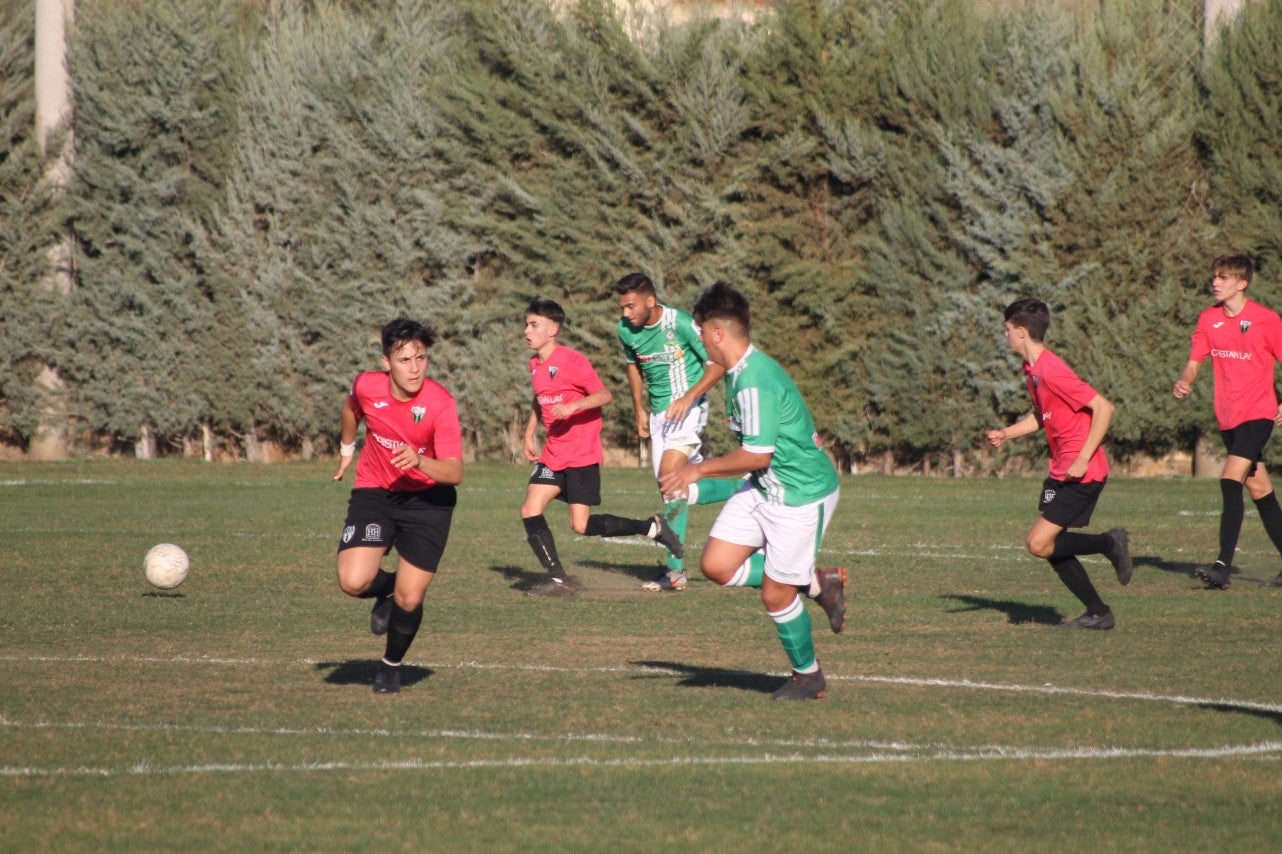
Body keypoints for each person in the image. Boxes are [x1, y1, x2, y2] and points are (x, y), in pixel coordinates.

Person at [659, 281, 847, 700]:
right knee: (716, 566)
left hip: (801, 494)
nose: (699, 338)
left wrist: (696, 471)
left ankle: (808, 676)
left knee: (775, 594)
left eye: (701, 331)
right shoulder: (737, 371)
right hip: (766, 487)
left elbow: (756, 455)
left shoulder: (753, 379)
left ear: (718, 333)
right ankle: (815, 582)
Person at [332, 318, 464, 694]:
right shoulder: (367, 385)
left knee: (411, 597)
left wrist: (420, 461)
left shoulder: (440, 404)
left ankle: (390, 666)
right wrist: (346, 450)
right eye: (405, 359)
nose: (415, 367)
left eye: (421, 358)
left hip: (429, 501)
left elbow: (455, 471)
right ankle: (384, 590)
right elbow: (350, 410)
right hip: (376, 490)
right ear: (386, 361)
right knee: (352, 581)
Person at [521, 297, 684, 596]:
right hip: (553, 453)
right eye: (527, 325)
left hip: (580, 454)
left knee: (580, 526)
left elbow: (604, 395)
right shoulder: (535, 364)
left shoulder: (572, 360)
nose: (527, 331)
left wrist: (573, 407)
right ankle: (559, 580)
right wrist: (530, 430)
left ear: (553, 329)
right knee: (530, 510)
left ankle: (651, 527)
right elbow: (540, 398)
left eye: (534, 325)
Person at [985, 298, 1132, 629]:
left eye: (1007, 329)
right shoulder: (1033, 371)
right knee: (1048, 546)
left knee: (1038, 542)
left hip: (1083, 471)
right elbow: (1043, 416)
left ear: (1021, 332)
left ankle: (1110, 543)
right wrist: (1007, 433)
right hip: (1061, 470)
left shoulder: (1052, 370)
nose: (1004, 334)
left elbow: (1104, 408)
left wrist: (1082, 457)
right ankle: (1098, 612)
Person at [614, 272, 743, 592]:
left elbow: (717, 363)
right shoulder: (624, 330)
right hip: (659, 415)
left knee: (670, 476)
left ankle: (674, 572)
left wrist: (688, 397)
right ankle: (744, 487)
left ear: (650, 301)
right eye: (622, 307)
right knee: (672, 489)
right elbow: (633, 365)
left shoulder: (681, 323)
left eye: (631, 306)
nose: (625, 313)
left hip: (689, 409)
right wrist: (639, 408)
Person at [1172, 252, 1282, 589]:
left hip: (1258, 414)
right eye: (1215, 276)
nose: (1215, 283)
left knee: (1230, 478)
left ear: (1242, 283)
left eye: (1223, 277)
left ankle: (1222, 566)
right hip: (1228, 418)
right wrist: (1186, 380)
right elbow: (1195, 359)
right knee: (1260, 488)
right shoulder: (1209, 319)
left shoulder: (1266, 320)